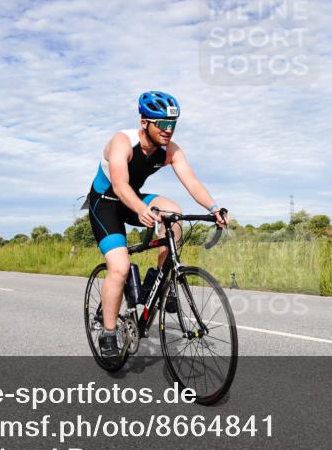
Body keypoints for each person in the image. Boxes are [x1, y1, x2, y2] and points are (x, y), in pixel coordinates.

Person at [85, 90, 228, 360]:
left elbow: (191, 181)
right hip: (105, 203)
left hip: (133, 199)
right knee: (120, 267)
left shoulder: (170, 150)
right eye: (161, 123)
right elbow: (119, 185)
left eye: (172, 124)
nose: (168, 130)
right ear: (144, 123)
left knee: (174, 213)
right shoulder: (122, 142)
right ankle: (107, 331)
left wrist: (213, 207)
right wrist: (141, 209)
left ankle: (158, 279)